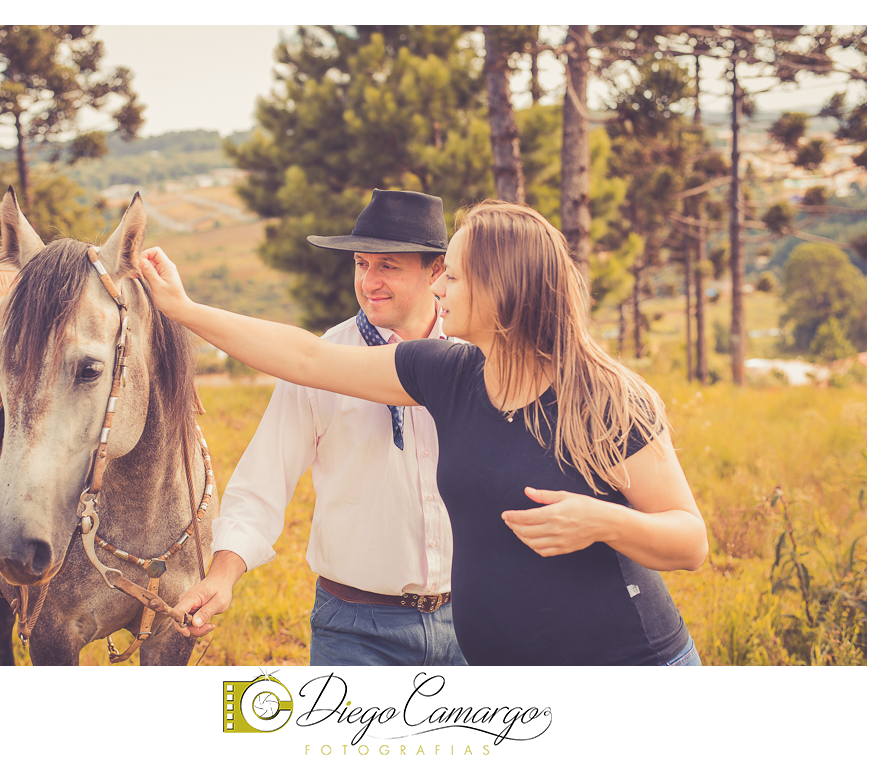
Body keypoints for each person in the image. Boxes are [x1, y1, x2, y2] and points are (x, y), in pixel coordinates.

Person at [143, 200, 708, 666]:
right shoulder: (449, 374)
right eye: (362, 265)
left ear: (499, 287)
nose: (443, 291)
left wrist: (602, 521)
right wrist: (184, 309)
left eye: (454, 277)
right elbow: (306, 358)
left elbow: (691, 542)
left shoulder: (604, 396)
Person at [171, 189, 467, 666]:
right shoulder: (322, 364)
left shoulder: (476, 355)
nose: (369, 281)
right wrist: (222, 575)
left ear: (436, 271)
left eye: (388, 266)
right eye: (361, 264)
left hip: (474, 621)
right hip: (358, 631)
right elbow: (260, 483)